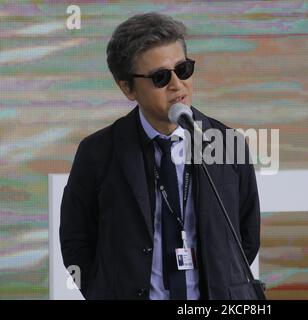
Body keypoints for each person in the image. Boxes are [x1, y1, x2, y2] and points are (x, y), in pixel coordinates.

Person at [59, 12, 261, 300]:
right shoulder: (98, 152)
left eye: (183, 69)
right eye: (160, 77)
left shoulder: (228, 144)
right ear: (127, 87)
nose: (177, 85)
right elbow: (76, 239)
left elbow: (246, 237)